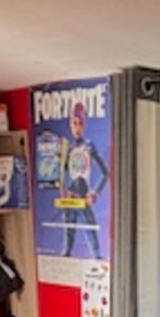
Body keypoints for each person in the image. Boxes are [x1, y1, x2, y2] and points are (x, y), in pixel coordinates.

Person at [60, 102, 107, 258]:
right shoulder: (68, 149)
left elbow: (105, 173)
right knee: (67, 249)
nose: (77, 128)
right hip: (70, 200)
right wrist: (63, 189)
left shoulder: (89, 146)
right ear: (70, 124)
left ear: (84, 124)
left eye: (80, 123)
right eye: (74, 123)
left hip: (84, 198)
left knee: (95, 250)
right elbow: (59, 176)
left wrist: (95, 193)